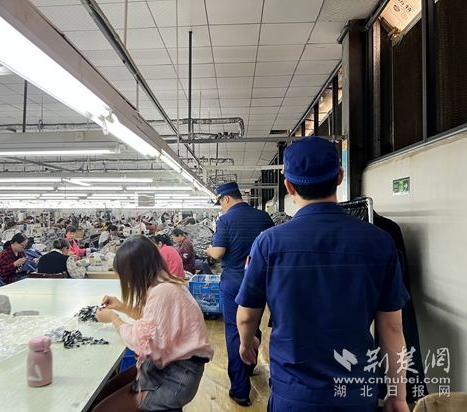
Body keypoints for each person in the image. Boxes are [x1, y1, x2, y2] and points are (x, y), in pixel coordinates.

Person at [236, 137, 411, 412]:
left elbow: (247, 316)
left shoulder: (268, 244)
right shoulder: (379, 242)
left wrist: (247, 344)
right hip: (355, 393)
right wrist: (397, 396)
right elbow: (392, 328)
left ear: (288, 186)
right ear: (340, 177)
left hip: (293, 395)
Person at [92, 236, 213, 411]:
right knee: (106, 390)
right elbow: (151, 322)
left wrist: (113, 318)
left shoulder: (163, 292)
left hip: (177, 377)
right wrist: (121, 306)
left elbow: (141, 341)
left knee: (102, 408)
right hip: (173, 365)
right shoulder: (165, 284)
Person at [205, 181, 274, 406]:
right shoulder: (264, 217)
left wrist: (208, 250)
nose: (221, 207)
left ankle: (240, 390)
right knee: (253, 324)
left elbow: (218, 252)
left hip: (235, 282)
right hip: (260, 281)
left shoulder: (225, 220)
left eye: (220, 203)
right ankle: (250, 364)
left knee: (235, 331)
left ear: (226, 198)